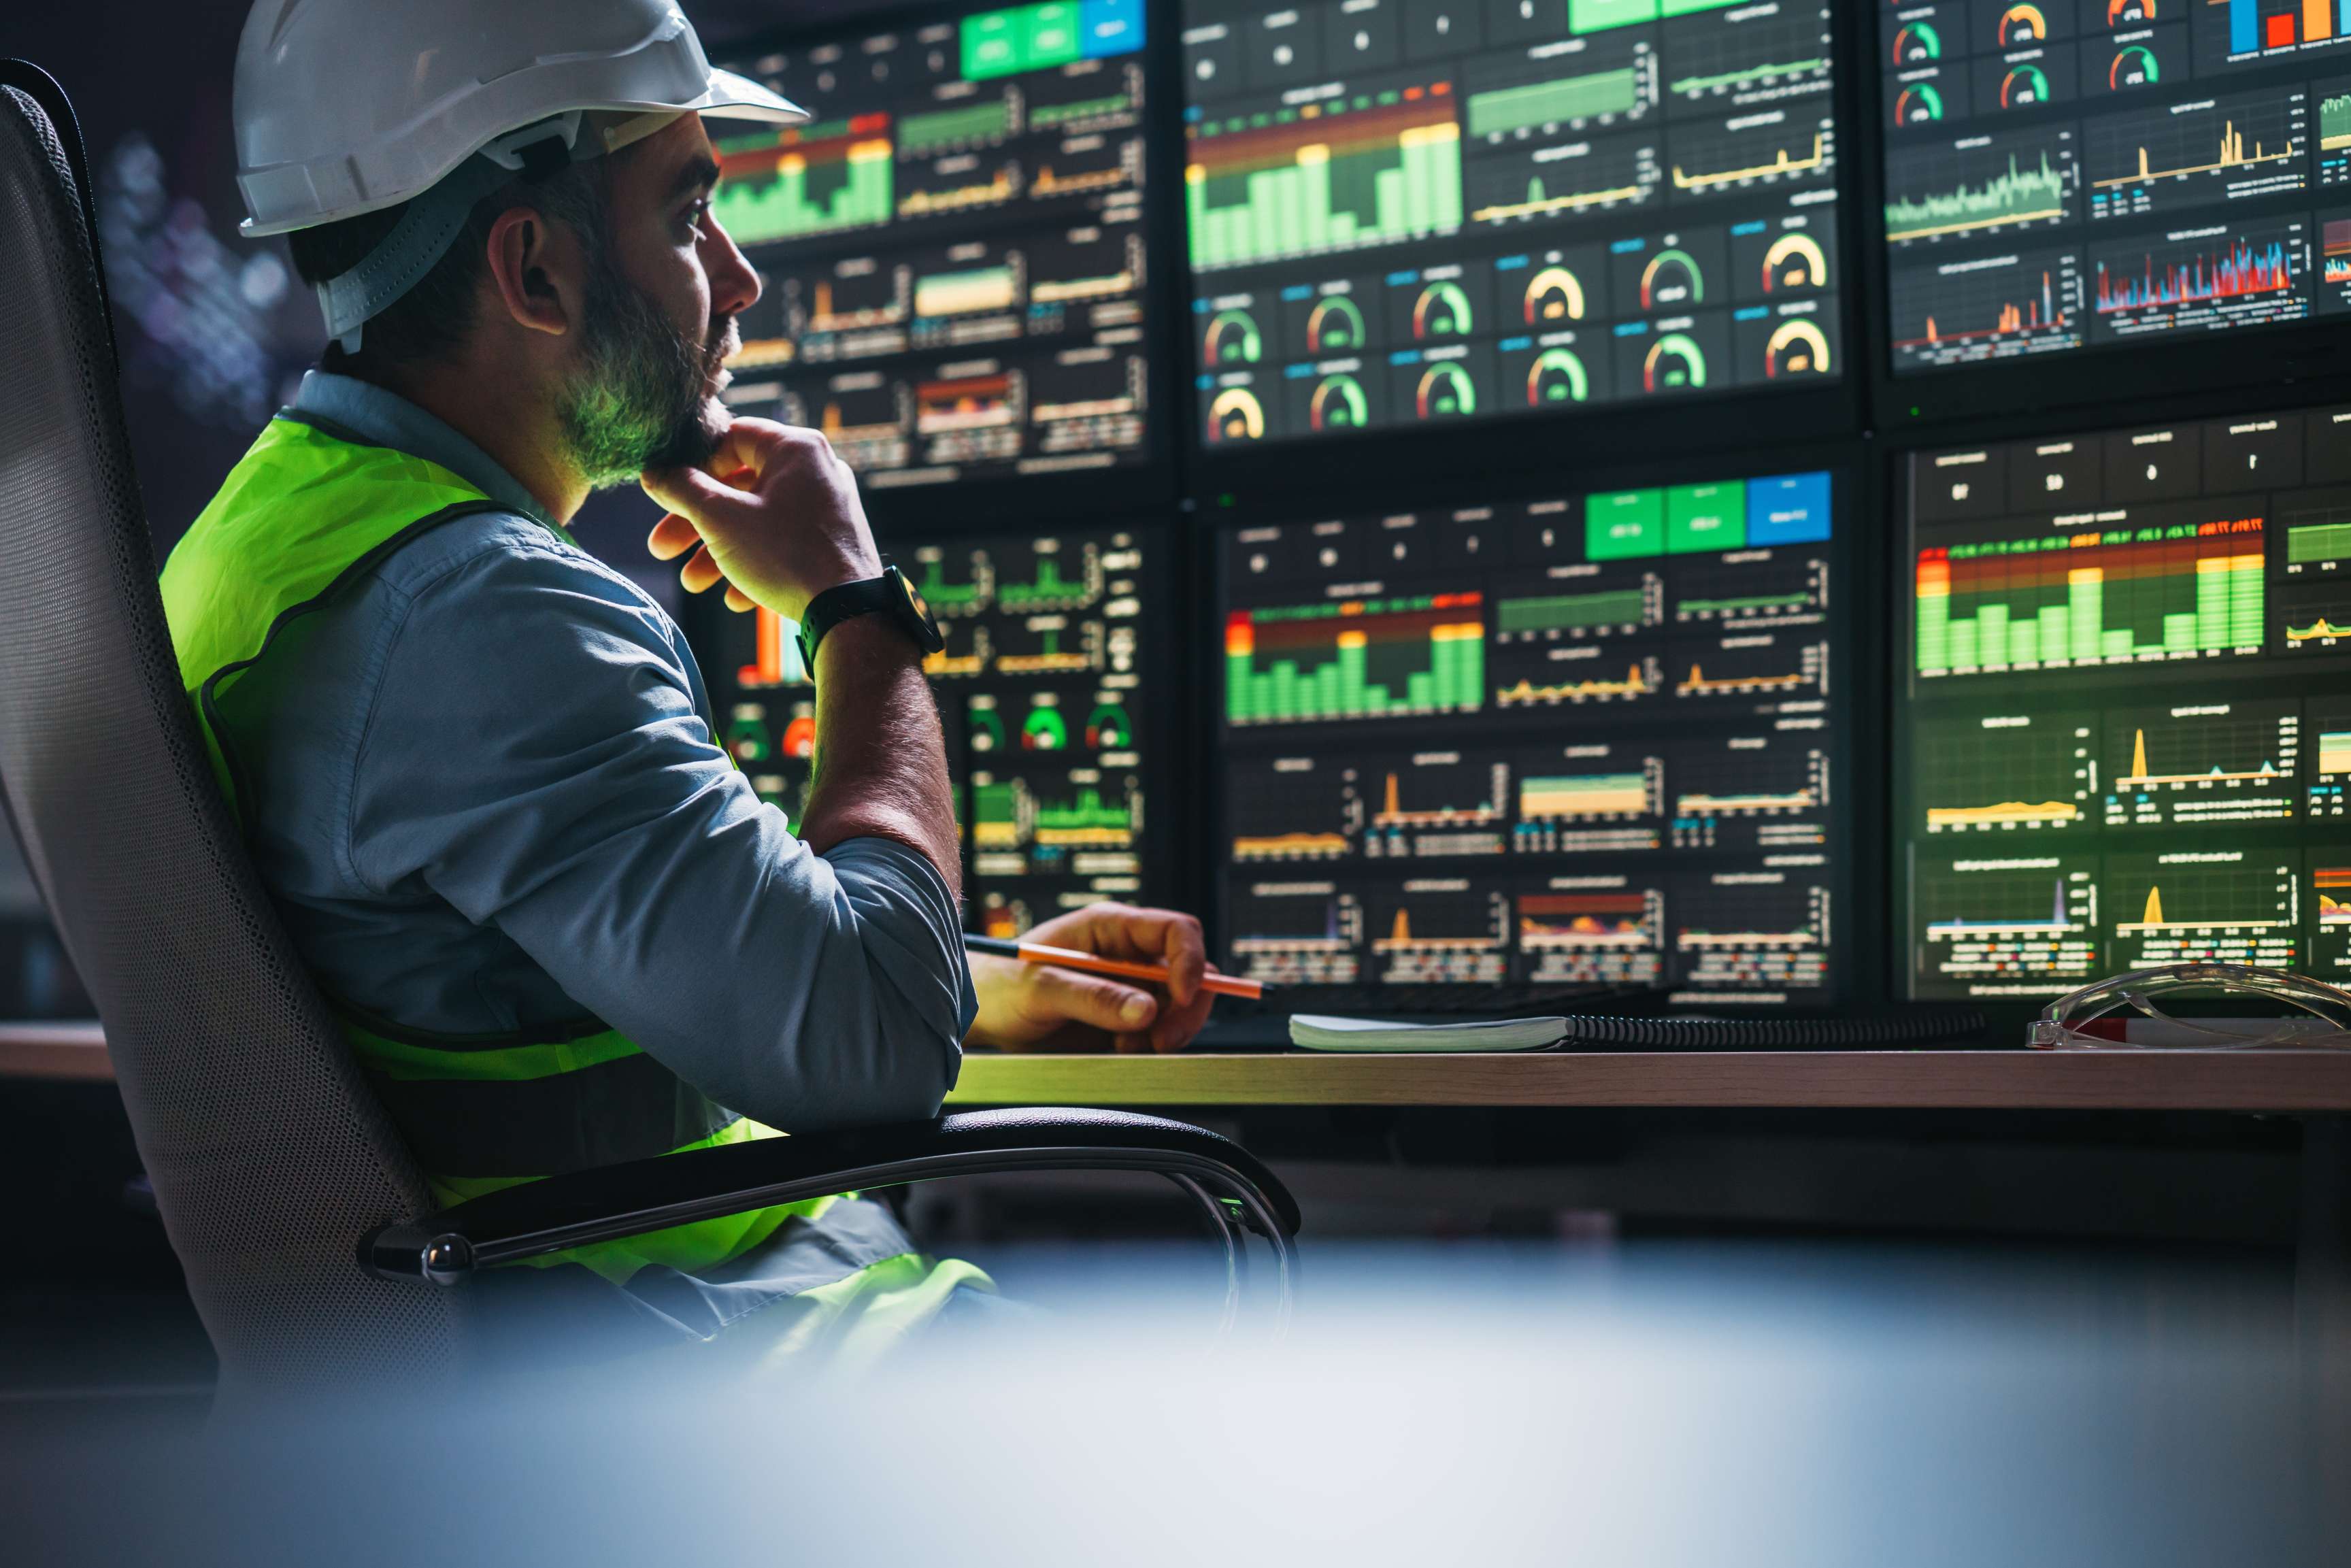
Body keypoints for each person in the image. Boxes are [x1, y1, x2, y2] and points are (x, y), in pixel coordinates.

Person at [158, 0, 1217, 1364]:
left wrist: (971, 981)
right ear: (534, 268)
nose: (738, 277)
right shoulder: (487, 617)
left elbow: (481, 985)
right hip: (712, 1382)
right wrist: (855, 606)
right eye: (687, 212)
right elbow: (876, 1050)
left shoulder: (253, 554)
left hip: (519, 1373)